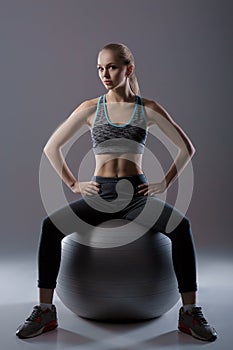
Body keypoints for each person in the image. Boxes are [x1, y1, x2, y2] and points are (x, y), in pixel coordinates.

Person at [16, 43, 217, 342]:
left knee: (182, 226)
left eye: (111, 67)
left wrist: (164, 182)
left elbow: (186, 147)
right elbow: (51, 147)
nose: (105, 74)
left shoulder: (146, 108)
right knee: (50, 226)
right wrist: (74, 184)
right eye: (100, 68)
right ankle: (46, 310)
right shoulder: (89, 109)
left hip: (137, 195)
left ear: (128, 69)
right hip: (101, 195)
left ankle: (189, 314)